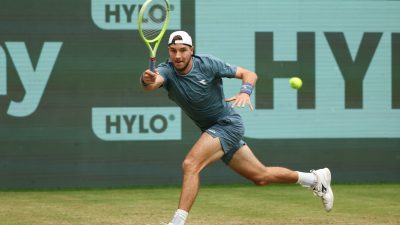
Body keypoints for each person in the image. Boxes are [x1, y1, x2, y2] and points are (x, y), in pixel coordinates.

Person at [140, 31, 334, 225]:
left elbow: (249, 74)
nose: (178, 56)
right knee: (261, 176)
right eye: (173, 51)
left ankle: (177, 222)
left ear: (192, 50)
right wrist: (146, 79)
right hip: (212, 130)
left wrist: (245, 92)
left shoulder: (207, 64)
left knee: (191, 165)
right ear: (169, 51)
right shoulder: (166, 70)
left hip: (228, 125)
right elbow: (152, 83)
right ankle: (315, 179)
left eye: (183, 50)